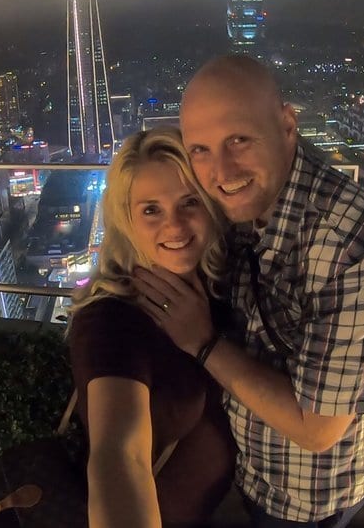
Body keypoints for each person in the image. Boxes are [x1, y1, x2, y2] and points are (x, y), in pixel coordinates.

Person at [133, 55, 364, 528]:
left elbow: (318, 428)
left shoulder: (354, 245)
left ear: (287, 126)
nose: (220, 170)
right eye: (199, 149)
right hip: (250, 467)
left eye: (239, 139)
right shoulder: (235, 206)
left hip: (310, 498)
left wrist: (201, 343)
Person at [68, 127, 237, 528]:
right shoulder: (112, 318)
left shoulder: (217, 289)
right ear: (125, 219)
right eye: (151, 210)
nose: (175, 226)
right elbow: (119, 456)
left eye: (189, 202)